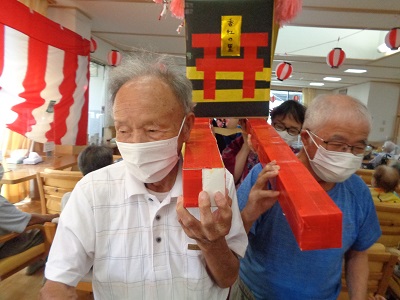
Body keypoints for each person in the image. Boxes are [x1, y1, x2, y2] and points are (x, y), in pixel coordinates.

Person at [40, 53, 247, 299]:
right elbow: (58, 281)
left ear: (187, 127)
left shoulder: (215, 184)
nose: (137, 143)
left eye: (152, 130)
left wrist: (212, 243)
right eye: (124, 130)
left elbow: (227, 277)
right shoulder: (92, 191)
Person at [231, 94, 381, 299]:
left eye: (358, 147)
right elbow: (230, 241)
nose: (348, 154)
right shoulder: (266, 175)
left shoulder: (358, 192)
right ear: (305, 138)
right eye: (338, 144)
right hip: (255, 294)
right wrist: (249, 213)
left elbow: (358, 253)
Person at [222, 100, 306, 186]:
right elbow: (229, 180)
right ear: (271, 123)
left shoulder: (296, 158)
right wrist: (246, 146)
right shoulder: (246, 142)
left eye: (293, 131)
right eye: (280, 126)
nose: (284, 133)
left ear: (300, 132)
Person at [0, 164, 58, 274]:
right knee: (48, 229)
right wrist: (53, 216)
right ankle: (45, 266)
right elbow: (29, 221)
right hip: (3, 246)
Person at [60, 144, 114, 210]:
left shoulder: (69, 198)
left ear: (80, 167)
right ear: (110, 168)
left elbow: (66, 219)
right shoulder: (118, 196)